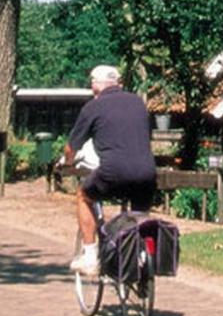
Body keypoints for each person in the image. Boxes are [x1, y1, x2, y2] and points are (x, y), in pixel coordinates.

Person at [64, 65, 157, 277]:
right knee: (139, 215)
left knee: (83, 195)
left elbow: (72, 147)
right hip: (146, 174)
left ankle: (89, 257)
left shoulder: (92, 108)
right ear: (118, 83)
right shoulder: (138, 103)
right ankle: (142, 258)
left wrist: (67, 162)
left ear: (95, 86)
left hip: (113, 173)